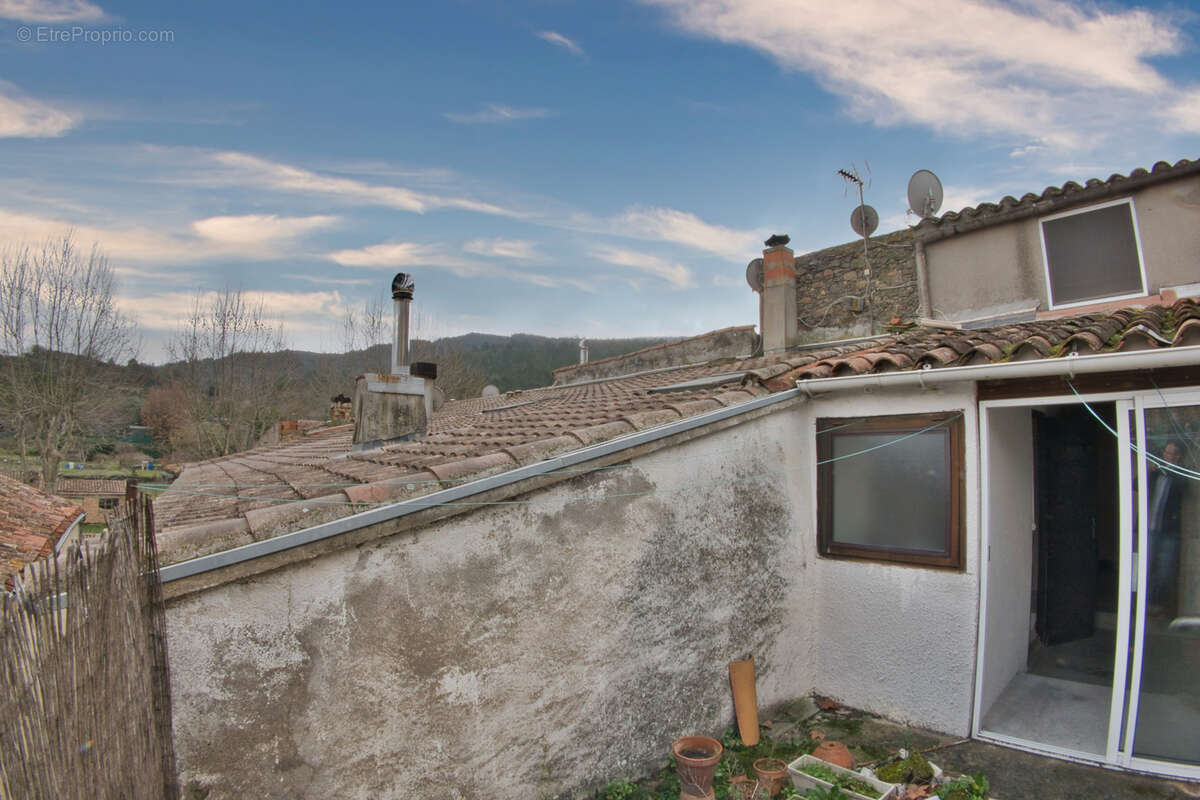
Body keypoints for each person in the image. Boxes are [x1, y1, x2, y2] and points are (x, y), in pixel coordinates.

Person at [1147, 440, 1186, 614]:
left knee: (1164, 572)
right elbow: (1134, 484)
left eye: (1172, 454)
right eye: (1166, 452)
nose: (1167, 456)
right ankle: (1144, 603)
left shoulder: (1179, 475)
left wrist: (1169, 470)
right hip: (1149, 530)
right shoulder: (1155, 474)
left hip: (1168, 532)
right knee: (1145, 567)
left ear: (1177, 457)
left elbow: (1183, 486)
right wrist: (1149, 471)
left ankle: (1158, 604)